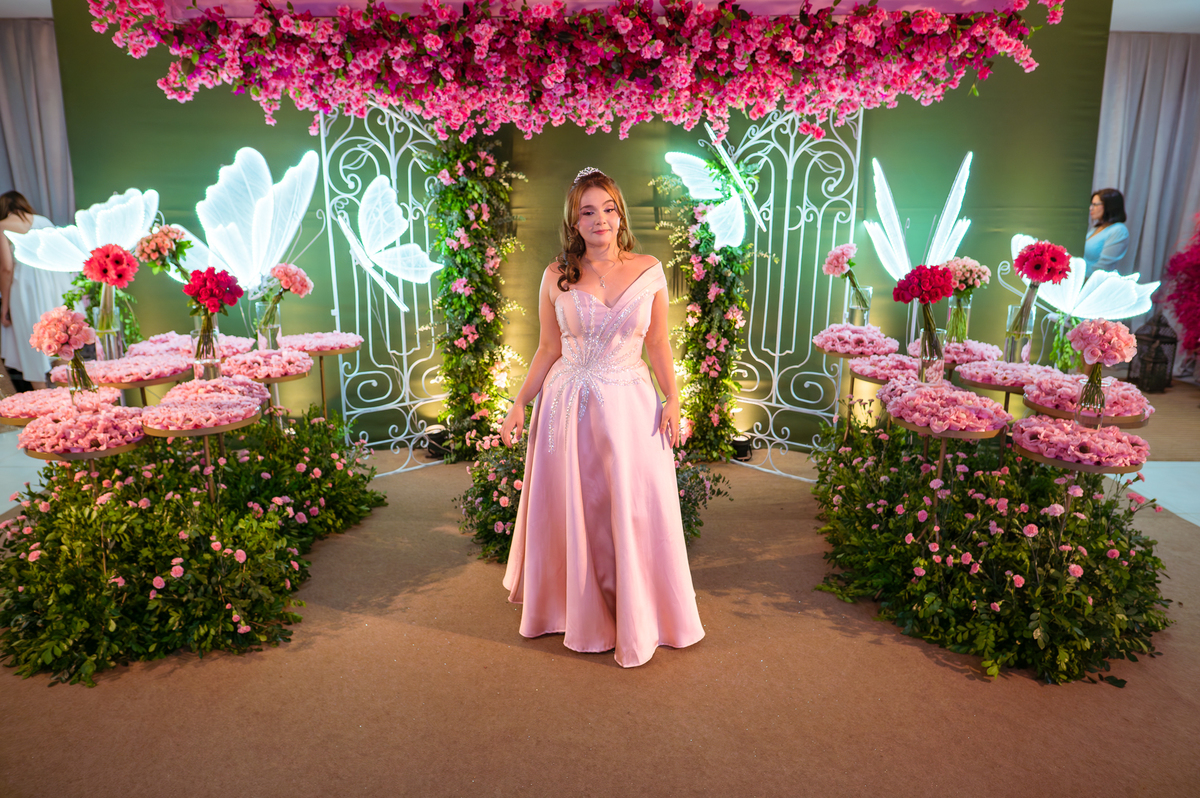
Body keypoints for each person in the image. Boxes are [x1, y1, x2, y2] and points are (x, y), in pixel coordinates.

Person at [498, 167, 705, 668]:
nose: (600, 220)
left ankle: (639, 615)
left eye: (608, 209)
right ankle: (580, 612)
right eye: (588, 211)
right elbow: (547, 348)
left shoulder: (650, 268)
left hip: (633, 406)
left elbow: (657, 342)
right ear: (574, 220)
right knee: (579, 509)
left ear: (621, 214)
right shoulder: (556, 275)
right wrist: (520, 402)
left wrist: (673, 397)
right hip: (567, 408)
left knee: (634, 509)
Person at [0, 191, 76, 389]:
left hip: (25, 287)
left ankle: (42, 401)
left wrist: (5, 306)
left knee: (32, 341)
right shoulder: (43, 221)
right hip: (54, 283)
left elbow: (6, 268)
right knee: (60, 339)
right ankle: (69, 396)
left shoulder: (2, 226)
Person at [1084, 187, 1129, 275]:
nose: (1091, 208)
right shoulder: (1097, 227)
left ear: (1109, 206)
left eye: (1095, 204)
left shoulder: (1119, 230)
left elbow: (1103, 267)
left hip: (1095, 283)